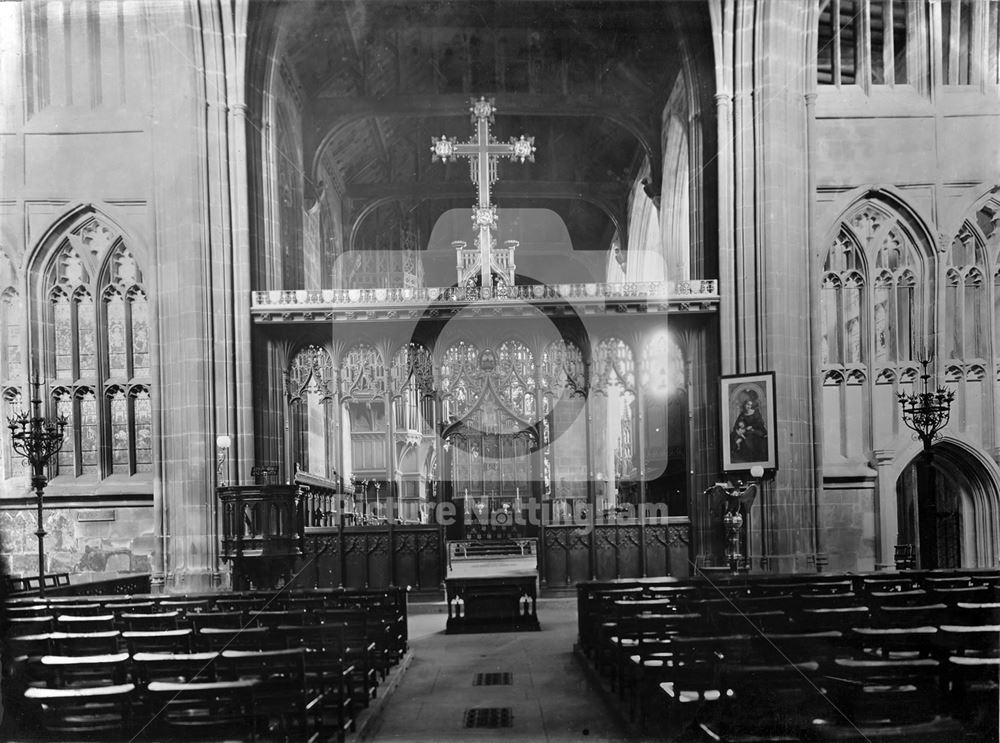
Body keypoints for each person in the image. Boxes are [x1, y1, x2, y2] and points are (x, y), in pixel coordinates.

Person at [730, 393, 767, 463]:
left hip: (756, 429)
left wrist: (752, 426)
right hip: (745, 430)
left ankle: (751, 457)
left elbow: (761, 423)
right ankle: (736, 455)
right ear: (744, 405)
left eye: (750, 405)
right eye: (747, 404)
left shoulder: (755, 412)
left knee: (750, 437)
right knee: (732, 435)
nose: (749, 406)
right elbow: (737, 423)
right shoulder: (742, 414)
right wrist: (737, 430)